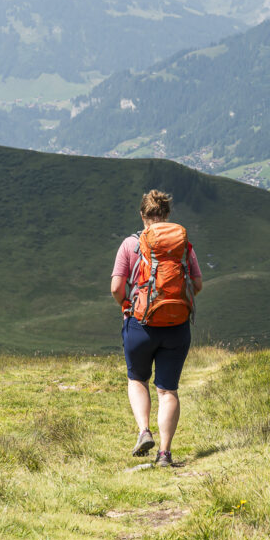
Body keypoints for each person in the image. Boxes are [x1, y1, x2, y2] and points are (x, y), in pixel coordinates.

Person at [110, 189, 203, 467]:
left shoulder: (131, 244)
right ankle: (165, 453)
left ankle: (143, 431)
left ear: (143, 215)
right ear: (167, 215)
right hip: (176, 326)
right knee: (167, 391)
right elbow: (197, 285)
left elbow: (116, 286)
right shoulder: (183, 246)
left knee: (138, 379)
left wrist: (127, 303)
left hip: (140, 324)